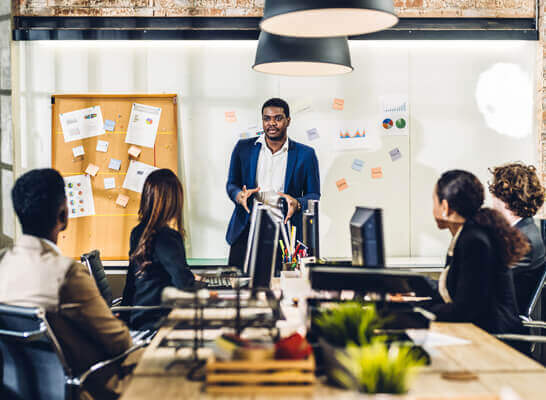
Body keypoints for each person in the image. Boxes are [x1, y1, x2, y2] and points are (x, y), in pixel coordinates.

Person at [0, 168, 136, 400]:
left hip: (18, 390)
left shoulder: (3, 262)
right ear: (63, 215)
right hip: (83, 388)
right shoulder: (67, 273)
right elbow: (119, 343)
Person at [427, 169, 529, 334]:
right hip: (480, 332)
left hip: (497, 341)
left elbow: (466, 308)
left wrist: (420, 312)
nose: (432, 208)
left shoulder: (474, 241)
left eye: (434, 202)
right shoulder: (468, 235)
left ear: (445, 207)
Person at [226, 98, 321, 270]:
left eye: (278, 118)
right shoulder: (243, 148)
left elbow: (314, 195)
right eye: (266, 118)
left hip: (285, 234)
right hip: (246, 230)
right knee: (239, 284)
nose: (272, 123)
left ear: (288, 121)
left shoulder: (306, 154)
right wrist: (239, 196)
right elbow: (232, 184)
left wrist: (298, 203)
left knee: (284, 286)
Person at [121, 169, 195, 330]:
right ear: (174, 201)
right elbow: (185, 286)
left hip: (138, 322)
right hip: (157, 325)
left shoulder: (137, 232)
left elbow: (131, 285)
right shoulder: (167, 237)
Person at [489, 163, 546, 315]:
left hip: (498, 324)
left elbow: (484, 282)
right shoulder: (523, 231)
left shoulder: (523, 239)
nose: (492, 197)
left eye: (494, 190)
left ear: (505, 196)